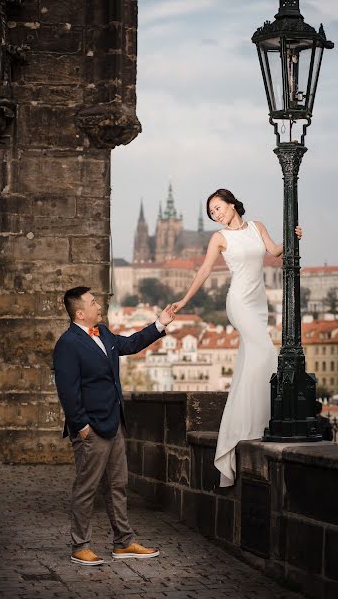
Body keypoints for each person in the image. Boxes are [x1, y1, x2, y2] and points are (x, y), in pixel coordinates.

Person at [172, 189, 302, 487]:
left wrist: (293, 237)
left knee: (249, 362)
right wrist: (183, 301)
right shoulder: (219, 238)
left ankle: (248, 425)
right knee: (266, 354)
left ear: (232, 204)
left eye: (218, 208)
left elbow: (275, 251)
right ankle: (256, 423)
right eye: (212, 212)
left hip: (259, 304)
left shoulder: (256, 227)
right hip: (239, 302)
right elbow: (204, 270)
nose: (216, 214)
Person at [53, 286, 175, 566]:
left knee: (118, 486)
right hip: (90, 429)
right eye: (93, 302)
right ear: (80, 312)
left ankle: (123, 542)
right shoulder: (67, 344)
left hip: (113, 422)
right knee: (87, 487)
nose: (99, 305)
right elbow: (67, 391)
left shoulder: (104, 333)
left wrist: (160, 324)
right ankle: (80, 545)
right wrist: (82, 426)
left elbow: (130, 344)